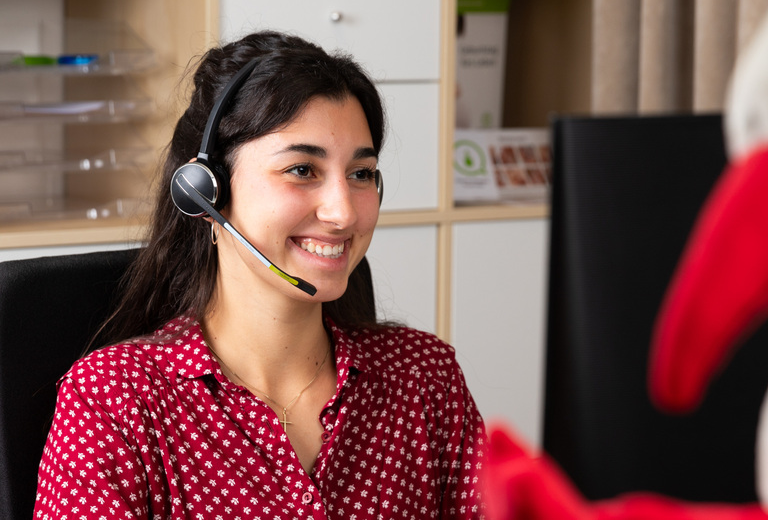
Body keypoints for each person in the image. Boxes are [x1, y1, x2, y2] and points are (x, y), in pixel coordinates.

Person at [33, 31, 487, 519]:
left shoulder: (423, 379)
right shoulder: (113, 401)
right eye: (301, 170)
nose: (343, 213)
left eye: (361, 174)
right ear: (205, 193)